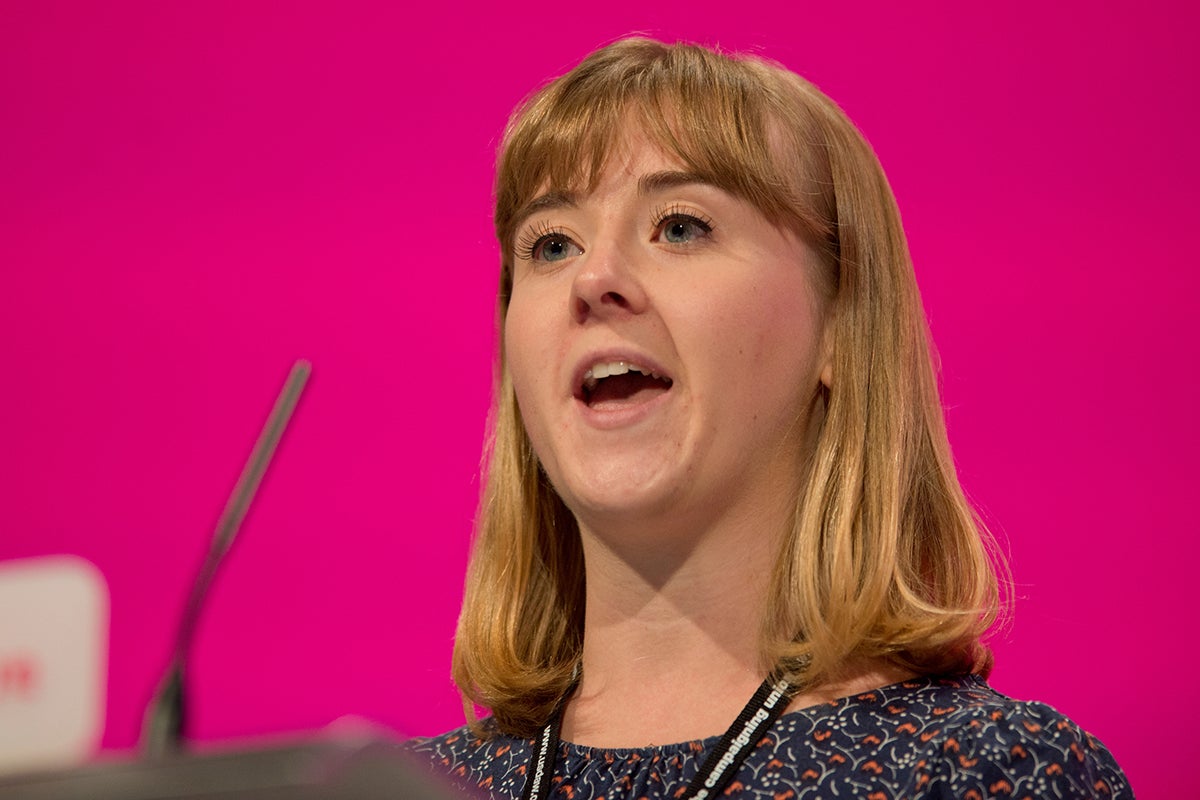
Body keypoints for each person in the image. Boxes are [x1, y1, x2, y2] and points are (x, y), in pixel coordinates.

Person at [407, 37, 1131, 799]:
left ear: (838, 329)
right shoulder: (416, 788)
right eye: (551, 244)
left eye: (680, 226)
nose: (595, 278)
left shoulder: (984, 774)